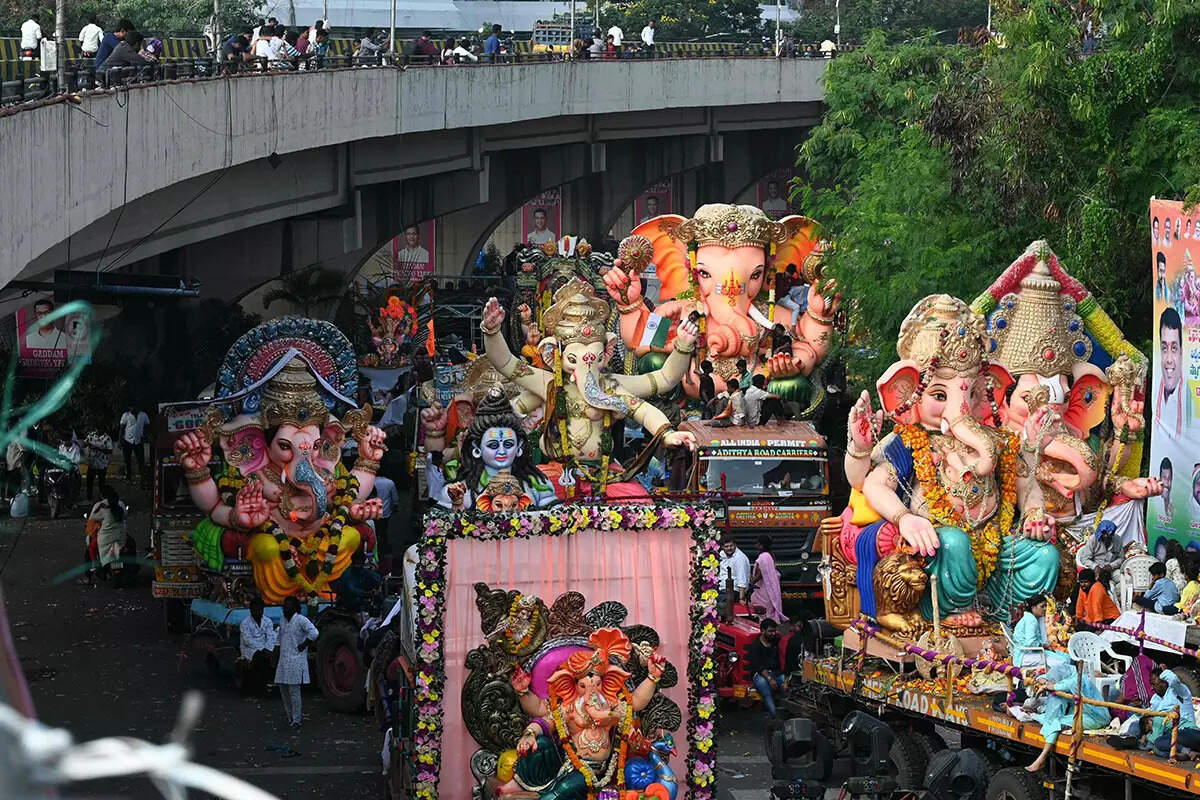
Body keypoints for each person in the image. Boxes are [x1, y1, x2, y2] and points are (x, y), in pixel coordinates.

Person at [1026, 662, 1110, 771]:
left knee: (1056, 724)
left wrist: (1046, 686)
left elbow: (1057, 686)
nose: (1054, 681)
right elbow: (1046, 679)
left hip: (1096, 718)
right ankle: (1041, 758)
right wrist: (1043, 682)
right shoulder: (1069, 677)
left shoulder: (1076, 681)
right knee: (1053, 720)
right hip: (1083, 713)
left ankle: (1042, 758)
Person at [275, 596, 319, 729]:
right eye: (284, 607)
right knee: (283, 689)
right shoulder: (283, 620)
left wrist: (304, 644)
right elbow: (278, 638)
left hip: (296, 659)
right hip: (283, 659)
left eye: (287, 607)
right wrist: (274, 654)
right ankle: (290, 717)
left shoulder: (301, 620)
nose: (285, 609)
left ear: (294, 608)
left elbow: (314, 632)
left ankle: (296, 720)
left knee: (294, 691)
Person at [1141, 667, 1200, 758]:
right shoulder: (1157, 698)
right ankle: (1185, 754)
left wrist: (1164, 672)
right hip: (1175, 736)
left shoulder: (1179, 692)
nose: (1152, 688)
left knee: (1158, 742)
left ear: (1164, 683)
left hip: (1188, 732)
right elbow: (1147, 713)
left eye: (1154, 684)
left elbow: (1173, 679)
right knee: (1157, 748)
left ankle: (1186, 753)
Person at [1010, 595, 1064, 668]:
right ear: (1033, 607)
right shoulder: (1031, 620)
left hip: (1028, 652)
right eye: (1042, 606)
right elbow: (1031, 643)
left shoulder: (1033, 617)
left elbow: (1042, 636)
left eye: (1046, 606)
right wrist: (1044, 646)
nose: (1045, 609)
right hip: (1024, 655)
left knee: (1062, 656)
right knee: (1061, 662)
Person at [747, 618, 785, 718]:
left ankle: (786, 713)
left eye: (774, 631)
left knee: (786, 685)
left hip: (776, 672)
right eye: (770, 631)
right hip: (760, 674)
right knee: (766, 692)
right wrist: (770, 679)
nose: (773, 634)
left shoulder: (776, 641)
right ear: (763, 631)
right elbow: (757, 666)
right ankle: (775, 716)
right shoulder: (755, 646)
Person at [238, 598, 278, 690]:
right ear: (251, 610)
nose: (259, 612)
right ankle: (264, 681)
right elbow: (247, 640)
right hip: (250, 649)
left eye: (261, 610)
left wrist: (268, 648)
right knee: (260, 657)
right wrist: (262, 649)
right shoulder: (245, 623)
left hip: (265, 647)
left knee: (275, 654)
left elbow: (270, 637)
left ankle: (272, 679)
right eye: (256, 610)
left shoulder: (267, 621)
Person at [89, 486, 128, 581]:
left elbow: (92, 518)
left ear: (102, 496)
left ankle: (95, 566)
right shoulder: (121, 504)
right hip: (121, 536)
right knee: (131, 544)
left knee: (91, 547)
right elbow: (125, 515)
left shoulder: (100, 505)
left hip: (105, 538)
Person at [1157, 307, 1184, 437]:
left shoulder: (1189, 400)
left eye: (1174, 348)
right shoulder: (1156, 391)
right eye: (1164, 348)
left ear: (1181, 352)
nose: (1168, 359)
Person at [750, 535, 786, 623]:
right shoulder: (771, 555)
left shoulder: (763, 557)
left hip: (762, 590)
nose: (755, 545)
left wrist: (750, 582)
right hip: (769, 588)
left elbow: (760, 574)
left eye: (757, 544)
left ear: (761, 545)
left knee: (762, 612)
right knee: (769, 611)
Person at [371, 473, 400, 568]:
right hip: (385, 511)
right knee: (384, 530)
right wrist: (395, 505)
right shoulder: (389, 483)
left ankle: (375, 547)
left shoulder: (371, 481)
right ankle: (383, 547)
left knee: (374, 530)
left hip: (373, 512)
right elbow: (394, 496)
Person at [118, 405, 149, 482]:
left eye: (132, 407)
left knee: (141, 461)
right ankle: (128, 478)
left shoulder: (143, 415)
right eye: (129, 407)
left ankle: (143, 479)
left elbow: (147, 426)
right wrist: (120, 441)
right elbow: (121, 428)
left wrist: (145, 436)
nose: (131, 408)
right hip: (127, 441)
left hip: (138, 441)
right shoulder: (125, 415)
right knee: (127, 461)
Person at [718, 536, 751, 604]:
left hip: (734, 591)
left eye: (731, 546)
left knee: (719, 604)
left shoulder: (740, 558)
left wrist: (741, 598)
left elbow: (742, 580)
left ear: (735, 545)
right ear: (722, 547)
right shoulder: (722, 554)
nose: (729, 548)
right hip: (721, 588)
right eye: (726, 546)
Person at [82, 429, 113, 501]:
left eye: (99, 427)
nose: (97, 430)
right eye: (96, 428)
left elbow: (110, 450)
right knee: (89, 481)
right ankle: (89, 497)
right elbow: (83, 444)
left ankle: (101, 498)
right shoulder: (91, 435)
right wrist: (88, 444)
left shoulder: (107, 438)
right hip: (92, 463)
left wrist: (99, 448)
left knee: (101, 483)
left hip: (102, 463)